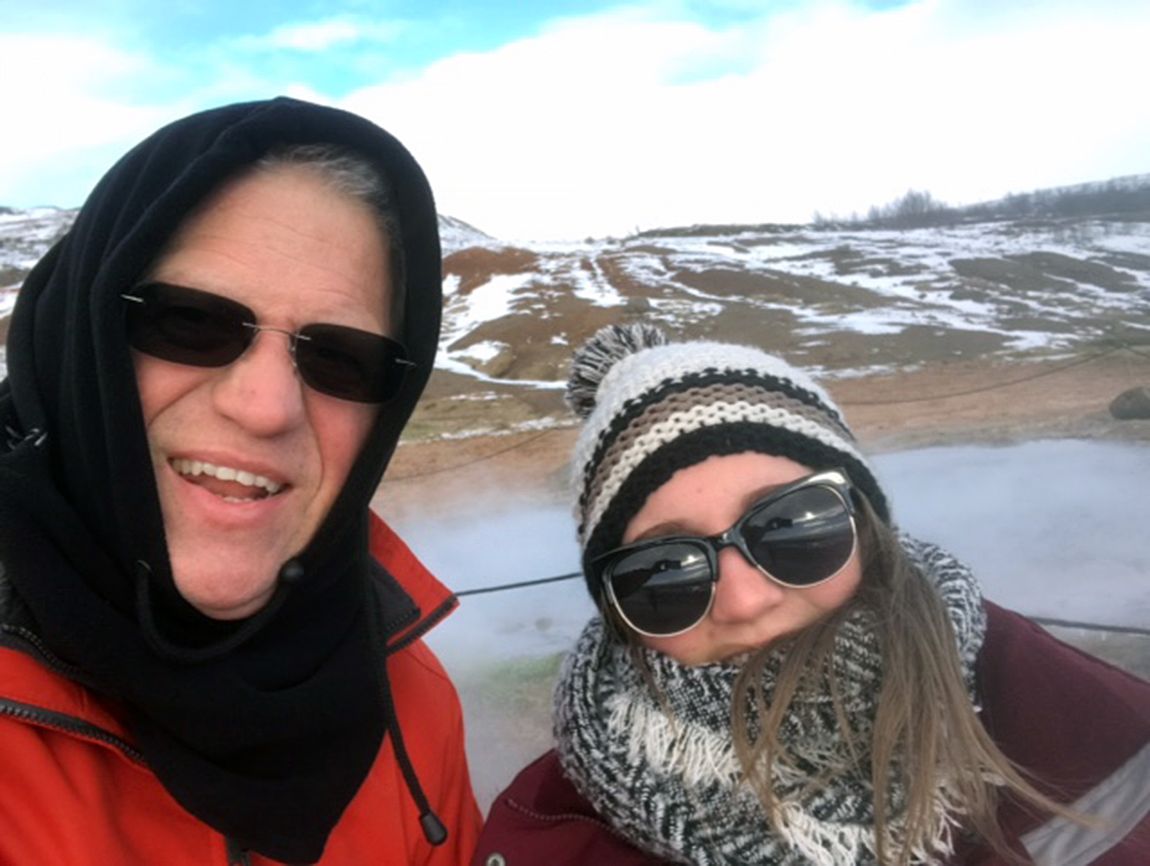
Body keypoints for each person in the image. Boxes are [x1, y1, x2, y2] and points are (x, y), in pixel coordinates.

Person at [0, 97, 481, 864]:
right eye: (190, 322)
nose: (265, 408)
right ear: (77, 339)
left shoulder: (408, 695)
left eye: (341, 359)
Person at [472, 323, 1150, 865]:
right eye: (664, 574)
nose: (744, 601)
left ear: (867, 526)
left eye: (791, 528)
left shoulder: (1100, 738)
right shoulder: (545, 831)